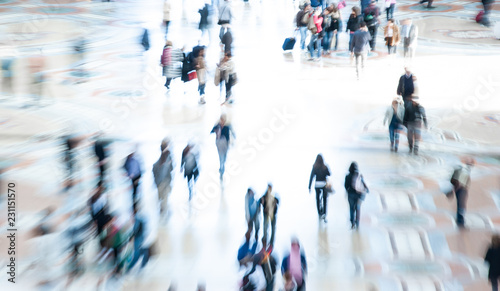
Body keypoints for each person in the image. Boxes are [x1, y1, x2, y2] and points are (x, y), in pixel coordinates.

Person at [450, 157, 475, 228]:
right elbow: (460, 183)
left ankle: (460, 221)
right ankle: (461, 222)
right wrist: (454, 191)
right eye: (470, 164)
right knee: (461, 205)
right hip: (462, 189)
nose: (471, 165)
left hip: (461, 189)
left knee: (460, 205)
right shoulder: (465, 170)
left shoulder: (465, 169)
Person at [344, 162, 369, 229]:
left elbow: (345, 186)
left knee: (351, 208)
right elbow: (363, 183)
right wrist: (366, 189)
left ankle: (352, 222)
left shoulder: (347, 176)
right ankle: (357, 222)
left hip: (350, 194)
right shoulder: (358, 175)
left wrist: (348, 190)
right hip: (359, 194)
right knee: (357, 208)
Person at [152, 138, 174, 215]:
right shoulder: (159, 162)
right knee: (161, 197)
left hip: (166, 181)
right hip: (161, 181)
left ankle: (164, 209)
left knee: (165, 197)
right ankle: (163, 208)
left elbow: (171, 168)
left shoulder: (169, 157)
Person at [308, 154, 331, 222]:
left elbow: (311, 177)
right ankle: (324, 212)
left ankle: (319, 213)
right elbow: (329, 174)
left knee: (318, 199)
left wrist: (309, 186)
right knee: (325, 199)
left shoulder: (315, 167)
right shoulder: (325, 167)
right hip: (324, 185)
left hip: (317, 185)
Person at [211, 114, 234, 179]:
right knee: (221, 156)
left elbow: (231, 133)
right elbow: (211, 131)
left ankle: (222, 166)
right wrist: (216, 130)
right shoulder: (217, 126)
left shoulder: (227, 126)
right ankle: (221, 168)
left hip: (225, 143)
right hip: (219, 142)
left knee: (224, 156)